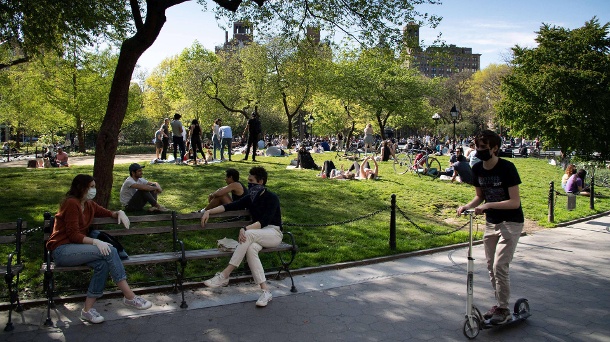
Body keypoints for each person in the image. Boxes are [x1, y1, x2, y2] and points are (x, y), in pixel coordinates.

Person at [46, 174, 152, 324]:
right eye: (91, 187)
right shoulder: (71, 203)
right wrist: (96, 242)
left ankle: (87, 311)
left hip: (78, 249)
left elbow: (107, 213)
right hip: (62, 250)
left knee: (102, 265)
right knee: (110, 250)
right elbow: (73, 234)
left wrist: (119, 213)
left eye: (94, 187)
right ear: (80, 188)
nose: (93, 190)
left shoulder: (89, 204)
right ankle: (130, 297)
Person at [457, 129, 524, 325]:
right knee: (490, 267)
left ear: (495, 148)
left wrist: (488, 206)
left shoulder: (507, 168)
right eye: (477, 147)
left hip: (510, 222)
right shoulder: (477, 169)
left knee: (500, 266)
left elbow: (515, 202)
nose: (479, 150)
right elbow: (480, 196)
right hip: (491, 223)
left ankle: (504, 309)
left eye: (484, 147)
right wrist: (467, 206)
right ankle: (499, 304)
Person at [200, 167, 283, 307]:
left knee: (248, 234)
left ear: (261, 181)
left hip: (273, 233)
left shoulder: (272, 198)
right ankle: (265, 291)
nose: (249, 184)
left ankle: (225, 275)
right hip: (258, 235)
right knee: (251, 249)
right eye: (248, 181)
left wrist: (245, 228)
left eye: (251, 181)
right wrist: (208, 211)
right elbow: (229, 206)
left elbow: (264, 221)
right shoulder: (251, 197)